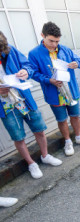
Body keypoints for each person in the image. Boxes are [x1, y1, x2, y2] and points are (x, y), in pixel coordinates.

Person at [0, 31, 62, 179]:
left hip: (24, 98)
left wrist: (25, 71)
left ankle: (45, 155)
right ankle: (31, 163)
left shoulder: (9, 49)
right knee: (18, 137)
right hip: (5, 105)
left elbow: (27, 65)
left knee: (39, 129)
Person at [29, 22, 80, 157]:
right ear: (43, 35)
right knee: (62, 120)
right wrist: (49, 80)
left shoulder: (64, 49)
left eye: (57, 41)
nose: (54, 44)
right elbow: (33, 73)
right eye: (51, 41)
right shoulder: (34, 53)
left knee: (75, 116)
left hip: (71, 90)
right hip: (54, 93)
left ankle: (79, 137)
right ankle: (68, 141)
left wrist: (77, 63)